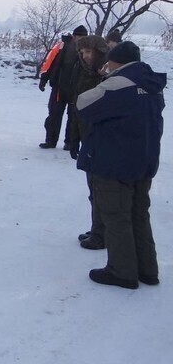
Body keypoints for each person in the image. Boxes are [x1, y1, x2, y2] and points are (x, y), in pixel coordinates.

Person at [76, 41, 164, 289]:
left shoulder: (118, 83)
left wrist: (106, 78)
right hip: (144, 158)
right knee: (139, 214)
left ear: (116, 61)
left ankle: (122, 271)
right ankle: (147, 270)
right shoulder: (152, 84)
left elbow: (83, 104)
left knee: (116, 215)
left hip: (114, 159)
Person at [67, 35, 109, 251]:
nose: (85, 56)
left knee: (103, 190)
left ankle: (103, 234)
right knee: (93, 188)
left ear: (99, 52)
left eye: (89, 52)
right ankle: (97, 229)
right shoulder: (81, 71)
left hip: (104, 141)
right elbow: (76, 105)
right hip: (87, 139)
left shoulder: (109, 75)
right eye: (82, 52)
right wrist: (74, 137)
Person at [38, 25, 88, 149]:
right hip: (59, 88)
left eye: (82, 37)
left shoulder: (88, 50)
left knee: (73, 118)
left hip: (76, 90)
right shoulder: (62, 46)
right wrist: (44, 79)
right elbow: (50, 62)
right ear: (74, 36)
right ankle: (51, 141)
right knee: (54, 115)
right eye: (78, 36)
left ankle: (69, 143)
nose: (80, 39)